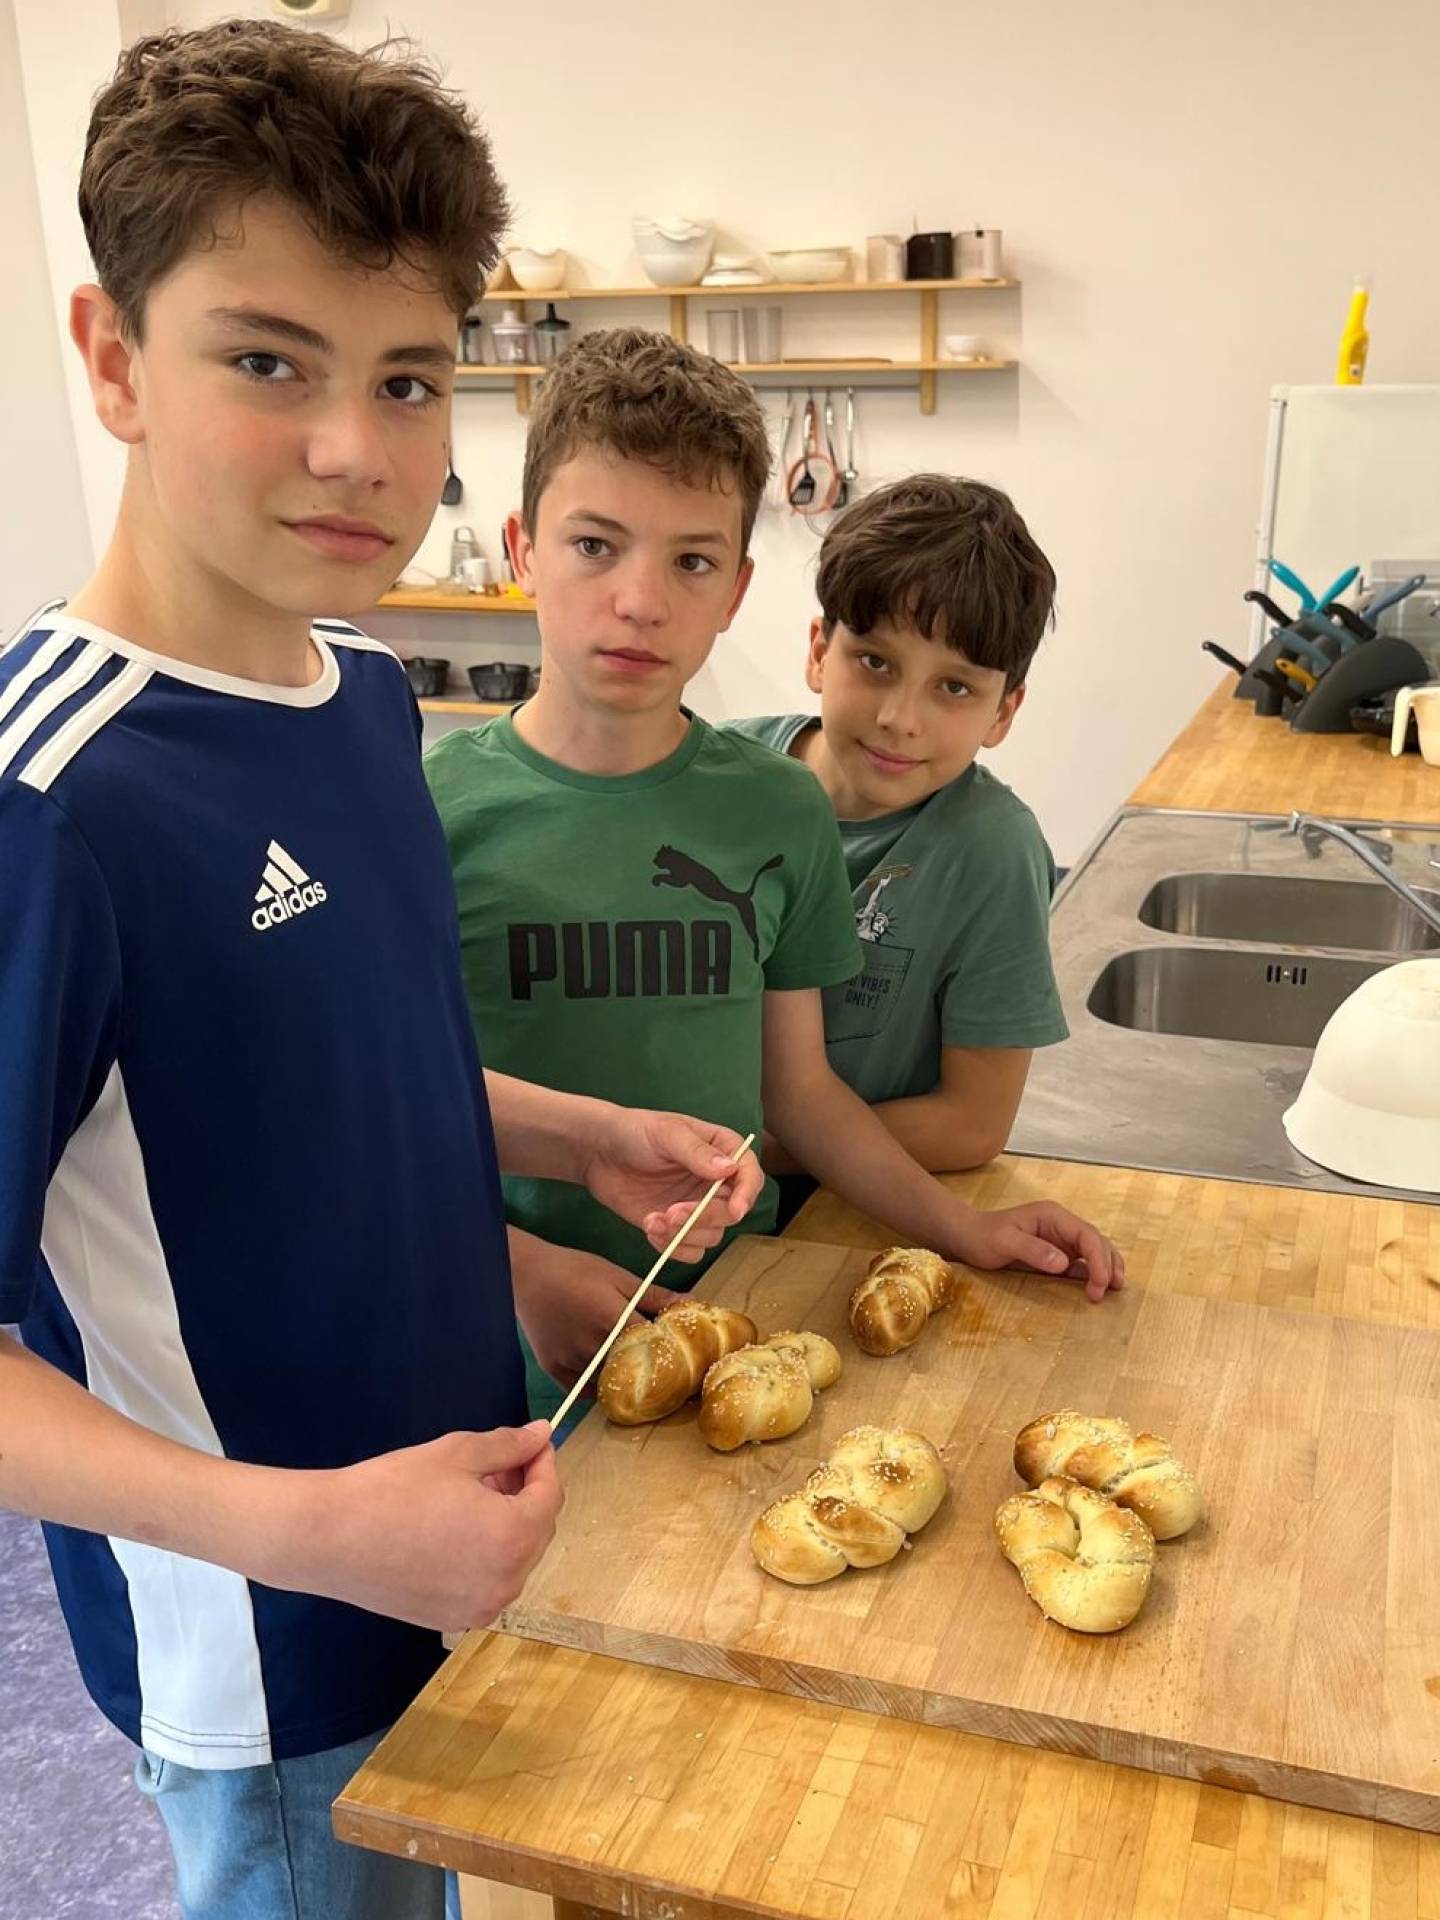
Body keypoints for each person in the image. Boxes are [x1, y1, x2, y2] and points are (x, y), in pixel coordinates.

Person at [0, 27, 758, 1920]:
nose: (359, 450)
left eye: (407, 378)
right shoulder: (50, 802)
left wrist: (576, 1134)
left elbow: (315, 1071)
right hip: (270, 1644)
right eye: (268, 361)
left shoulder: (360, 695)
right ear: (114, 360)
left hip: (463, 1530)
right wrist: (313, 1534)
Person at [425, 328, 1125, 1427]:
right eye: (595, 544)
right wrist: (516, 1271)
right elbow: (390, 1110)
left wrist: (962, 1227)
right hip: (500, 1329)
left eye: (692, 561)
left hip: (743, 1321)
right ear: (522, 549)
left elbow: (801, 1092)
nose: (641, 600)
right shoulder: (425, 809)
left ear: (738, 588)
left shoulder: (778, 807)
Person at [727, 475, 1068, 1216]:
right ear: (819, 651)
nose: (900, 719)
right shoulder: (714, 779)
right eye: (875, 662)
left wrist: (743, 1154)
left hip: (852, 1211)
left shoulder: (993, 851)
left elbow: (972, 1124)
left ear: (1003, 713)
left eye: (955, 688)